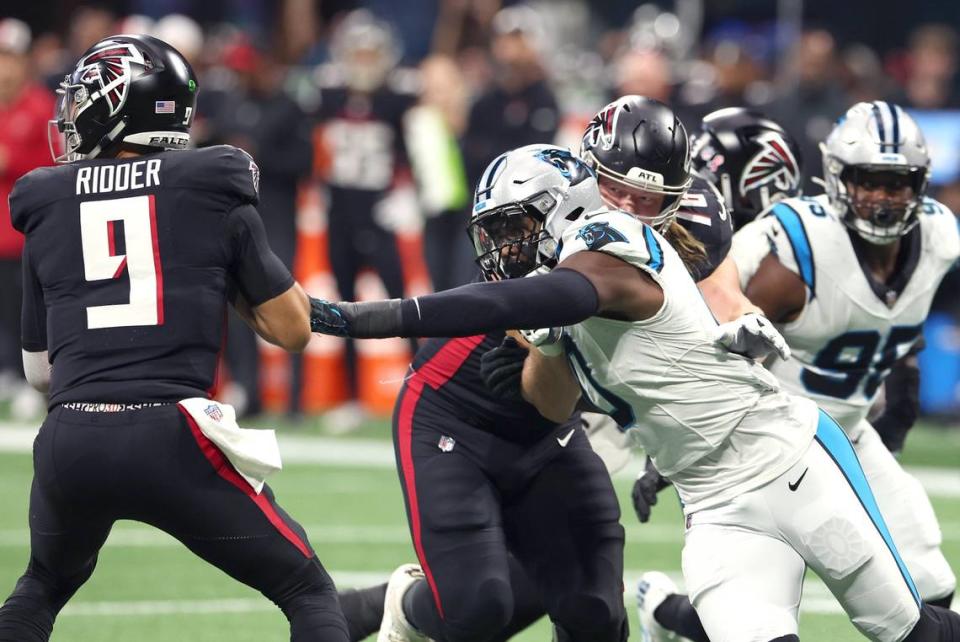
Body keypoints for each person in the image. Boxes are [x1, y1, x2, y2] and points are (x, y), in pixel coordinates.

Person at [310, 143, 960, 642]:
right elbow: (564, 399)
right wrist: (548, 356)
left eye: (516, 228)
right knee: (495, 603)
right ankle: (659, 609)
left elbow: (523, 297)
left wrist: (357, 316)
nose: (503, 248)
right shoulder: (556, 306)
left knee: (909, 631)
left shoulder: (608, 252)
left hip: (787, 463)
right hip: (713, 503)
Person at [0, 34, 354, 642]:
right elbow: (293, 330)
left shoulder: (45, 201)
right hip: (171, 436)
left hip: (72, 439)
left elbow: (40, 374)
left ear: (116, 105)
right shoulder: (213, 181)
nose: (71, 112)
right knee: (308, 592)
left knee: (39, 589)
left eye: (83, 97)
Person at [636, 100, 960, 642]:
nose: (883, 198)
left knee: (929, 586)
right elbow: (709, 327)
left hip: (849, 436)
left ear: (920, 185)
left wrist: (903, 371)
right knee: (762, 606)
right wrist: (668, 451)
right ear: (837, 178)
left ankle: (666, 613)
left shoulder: (939, 238)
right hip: (776, 444)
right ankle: (665, 611)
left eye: (897, 183)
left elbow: (900, 310)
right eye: (868, 181)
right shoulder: (799, 252)